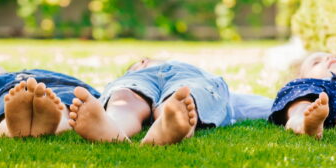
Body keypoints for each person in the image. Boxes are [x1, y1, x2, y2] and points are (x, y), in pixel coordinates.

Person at [68, 58, 273, 145]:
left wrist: (285, 108)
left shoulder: (184, 69)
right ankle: (111, 126)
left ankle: (170, 120)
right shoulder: (136, 73)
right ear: (141, 63)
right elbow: (240, 103)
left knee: (181, 96)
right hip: (145, 80)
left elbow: (246, 104)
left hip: (185, 78)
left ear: (143, 62)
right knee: (124, 96)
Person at [0, 67, 100, 137]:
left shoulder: (7, 78)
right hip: (61, 86)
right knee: (63, 105)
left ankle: (8, 129)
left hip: (8, 91)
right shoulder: (44, 72)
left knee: (5, 111)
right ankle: (59, 122)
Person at [269, 51, 336, 139]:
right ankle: (303, 123)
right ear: (302, 76)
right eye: (316, 62)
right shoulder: (305, 83)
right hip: (315, 89)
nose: (330, 58)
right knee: (301, 106)